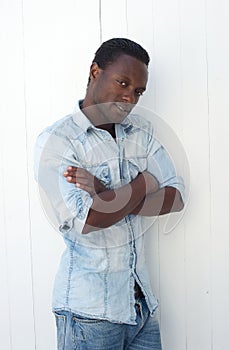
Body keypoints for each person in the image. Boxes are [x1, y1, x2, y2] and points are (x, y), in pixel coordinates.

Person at [34, 38, 185, 349]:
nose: (129, 97)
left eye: (138, 91)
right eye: (123, 82)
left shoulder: (141, 133)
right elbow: (87, 221)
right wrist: (143, 183)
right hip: (89, 314)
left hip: (141, 308)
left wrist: (106, 193)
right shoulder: (57, 141)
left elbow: (176, 196)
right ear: (94, 72)